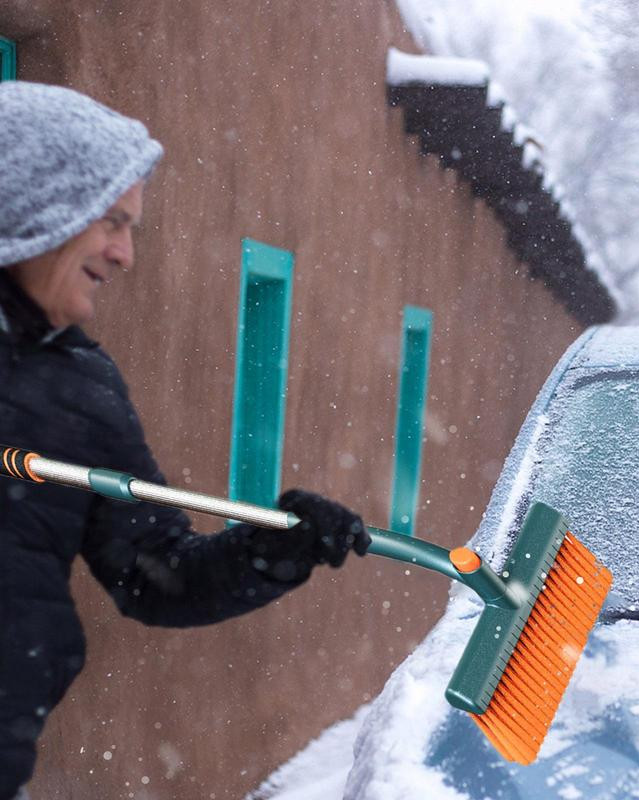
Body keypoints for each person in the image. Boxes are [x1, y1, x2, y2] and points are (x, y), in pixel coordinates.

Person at [0, 81, 371, 800]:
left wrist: (275, 546)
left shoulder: (81, 388)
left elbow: (155, 574)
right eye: (111, 221)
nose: (124, 254)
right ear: (37, 203)